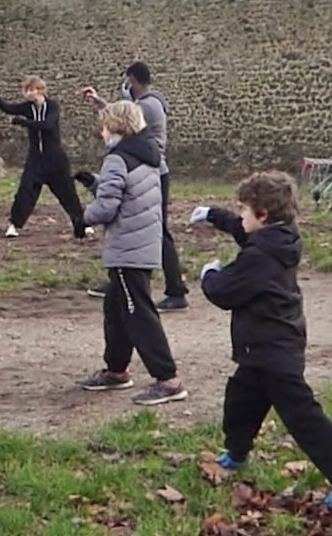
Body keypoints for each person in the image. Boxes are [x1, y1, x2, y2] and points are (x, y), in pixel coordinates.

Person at [192, 170, 332, 512]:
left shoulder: (260, 257)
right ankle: (237, 454)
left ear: (262, 215)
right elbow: (244, 232)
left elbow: (224, 291)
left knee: (303, 416)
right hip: (263, 349)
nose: (241, 216)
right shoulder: (280, 239)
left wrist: (210, 274)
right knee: (241, 400)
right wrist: (216, 216)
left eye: (244, 210)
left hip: (274, 353)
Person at [79, 101, 187, 406]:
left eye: (103, 126)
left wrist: (82, 217)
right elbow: (132, 194)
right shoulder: (148, 156)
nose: (101, 133)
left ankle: (168, 379)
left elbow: (107, 207)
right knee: (116, 308)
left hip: (127, 247)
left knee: (137, 311)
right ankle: (116, 370)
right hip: (144, 242)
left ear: (115, 127)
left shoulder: (116, 159)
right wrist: (96, 185)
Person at [81, 62, 188, 311]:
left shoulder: (147, 106)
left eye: (127, 81)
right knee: (133, 225)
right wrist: (99, 102)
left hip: (149, 173)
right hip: (149, 171)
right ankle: (121, 280)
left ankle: (176, 290)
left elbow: (123, 118)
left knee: (157, 230)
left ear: (132, 80)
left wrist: (102, 106)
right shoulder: (150, 103)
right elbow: (120, 114)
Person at [0, 76, 87, 239]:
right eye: (26, 90)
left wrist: (24, 123)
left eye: (32, 89)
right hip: (36, 158)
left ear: (40, 90)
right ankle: (14, 224)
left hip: (55, 158)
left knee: (67, 192)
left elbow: (48, 125)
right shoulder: (28, 108)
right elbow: (9, 109)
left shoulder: (52, 106)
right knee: (25, 190)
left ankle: (81, 222)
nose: (29, 93)